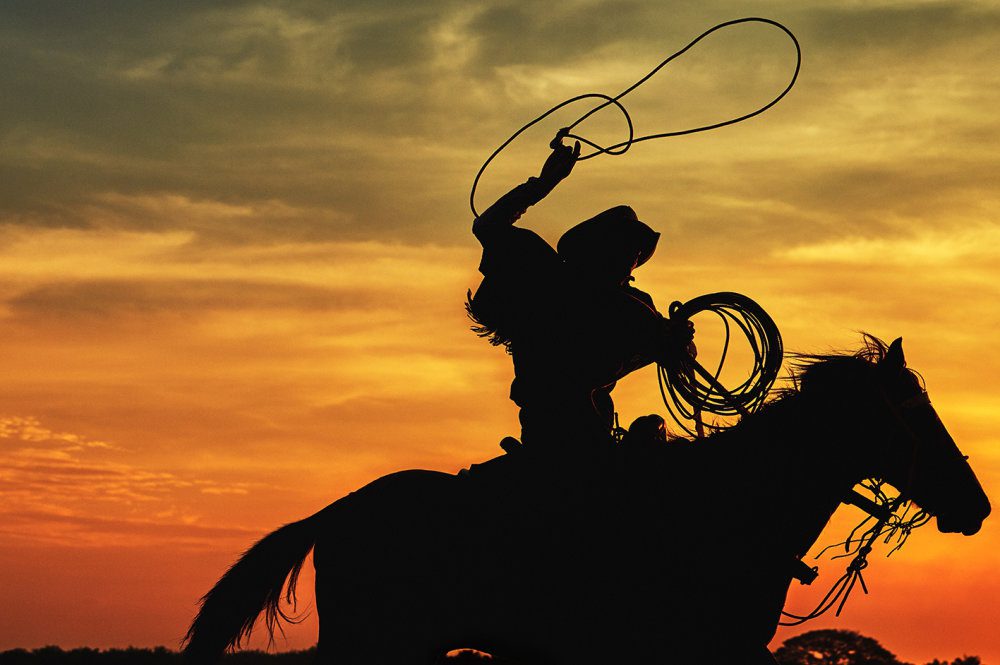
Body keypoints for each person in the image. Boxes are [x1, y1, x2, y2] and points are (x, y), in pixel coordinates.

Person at [468, 135, 693, 461]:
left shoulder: (632, 305)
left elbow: (676, 355)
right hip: (560, 437)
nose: (630, 259)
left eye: (633, 253)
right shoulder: (552, 280)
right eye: (625, 249)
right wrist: (544, 183)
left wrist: (680, 341)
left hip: (585, 431)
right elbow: (488, 226)